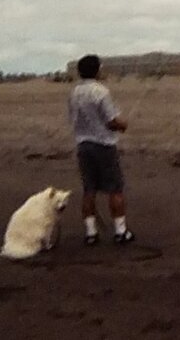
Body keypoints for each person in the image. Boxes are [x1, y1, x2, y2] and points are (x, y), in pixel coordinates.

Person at [68, 54, 134, 245]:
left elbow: (73, 119)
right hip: (103, 145)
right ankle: (121, 231)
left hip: (83, 145)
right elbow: (111, 120)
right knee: (115, 189)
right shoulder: (101, 92)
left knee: (89, 189)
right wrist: (122, 125)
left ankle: (91, 233)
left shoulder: (74, 92)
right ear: (96, 70)